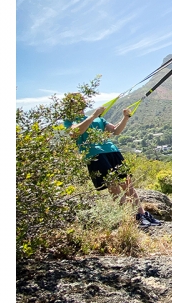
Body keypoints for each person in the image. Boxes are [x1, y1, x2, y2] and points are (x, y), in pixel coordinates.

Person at [62, 93, 162, 227]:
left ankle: (142, 214)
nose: (81, 103)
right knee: (113, 186)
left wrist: (125, 117)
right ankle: (130, 218)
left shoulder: (99, 119)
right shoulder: (71, 121)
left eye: (82, 100)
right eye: (76, 101)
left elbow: (116, 131)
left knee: (127, 184)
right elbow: (75, 132)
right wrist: (93, 116)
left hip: (112, 151)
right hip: (94, 154)